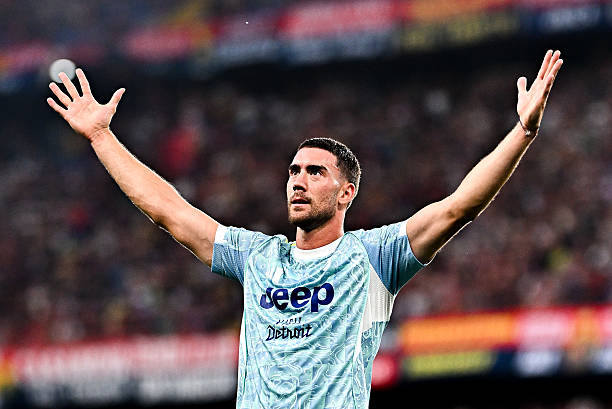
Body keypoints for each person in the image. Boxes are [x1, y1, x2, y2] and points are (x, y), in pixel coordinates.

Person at [47, 50, 563, 408]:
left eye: (315, 172)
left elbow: (457, 209)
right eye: (294, 170)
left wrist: (522, 131)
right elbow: (170, 212)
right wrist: (101, 137)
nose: (298, 180)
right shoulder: (257, 257)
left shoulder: (374, 258)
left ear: (346, 193)